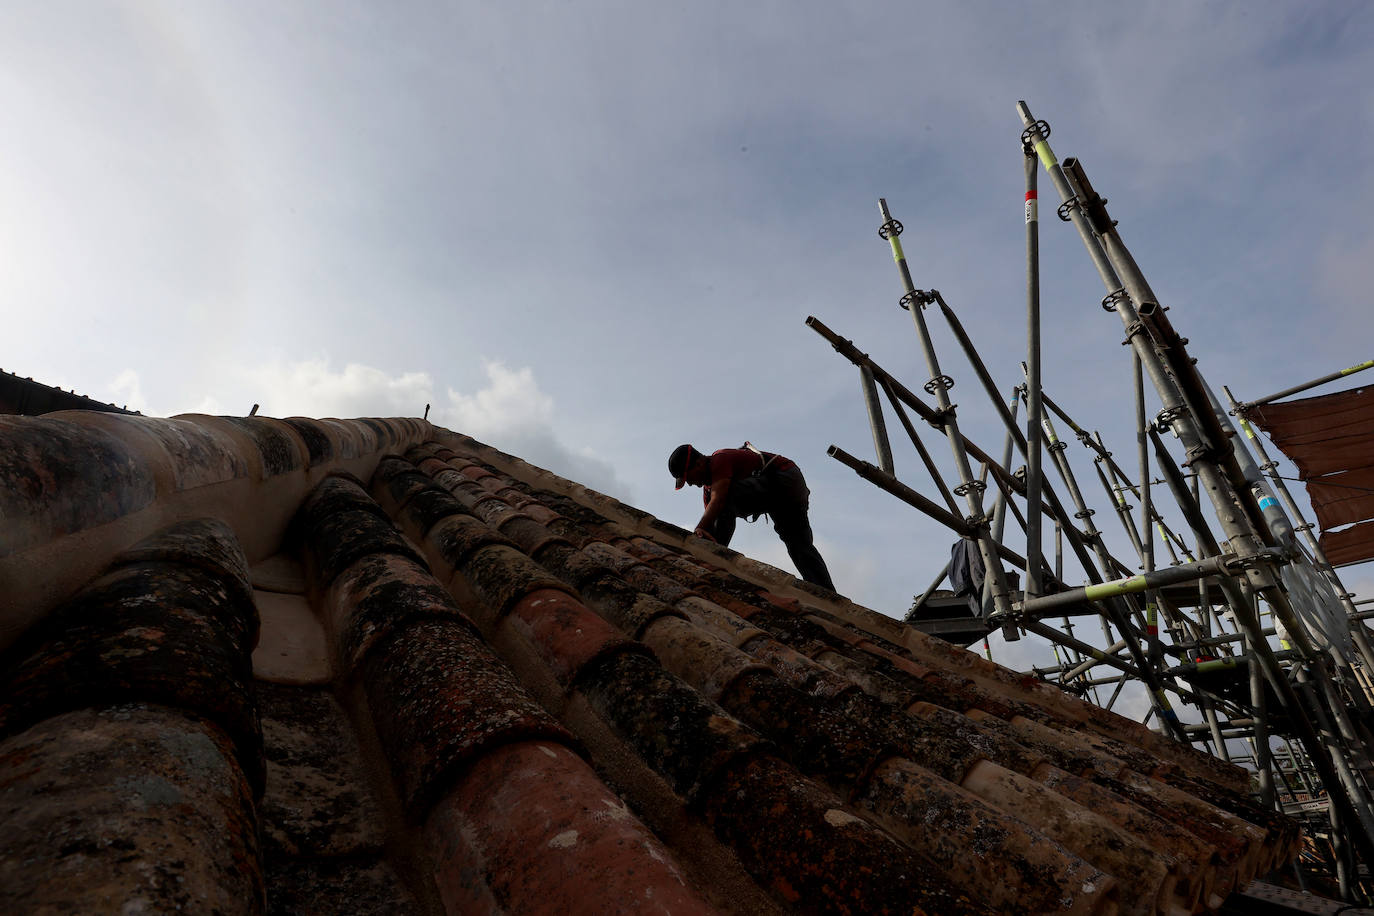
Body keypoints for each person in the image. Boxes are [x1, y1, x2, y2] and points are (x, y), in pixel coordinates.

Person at [668, 442, 835, 591]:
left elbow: (718, 502)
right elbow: (712, 518)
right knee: (799, 545)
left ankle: (713, 557)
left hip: (784, 477)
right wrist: (702, 536)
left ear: (699, 463)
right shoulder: (709, 491)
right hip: (784, 492)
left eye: (688, 478)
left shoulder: (719, 460)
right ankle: (825, 593)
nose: (690, 484)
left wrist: (701, 532)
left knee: (723, 501)